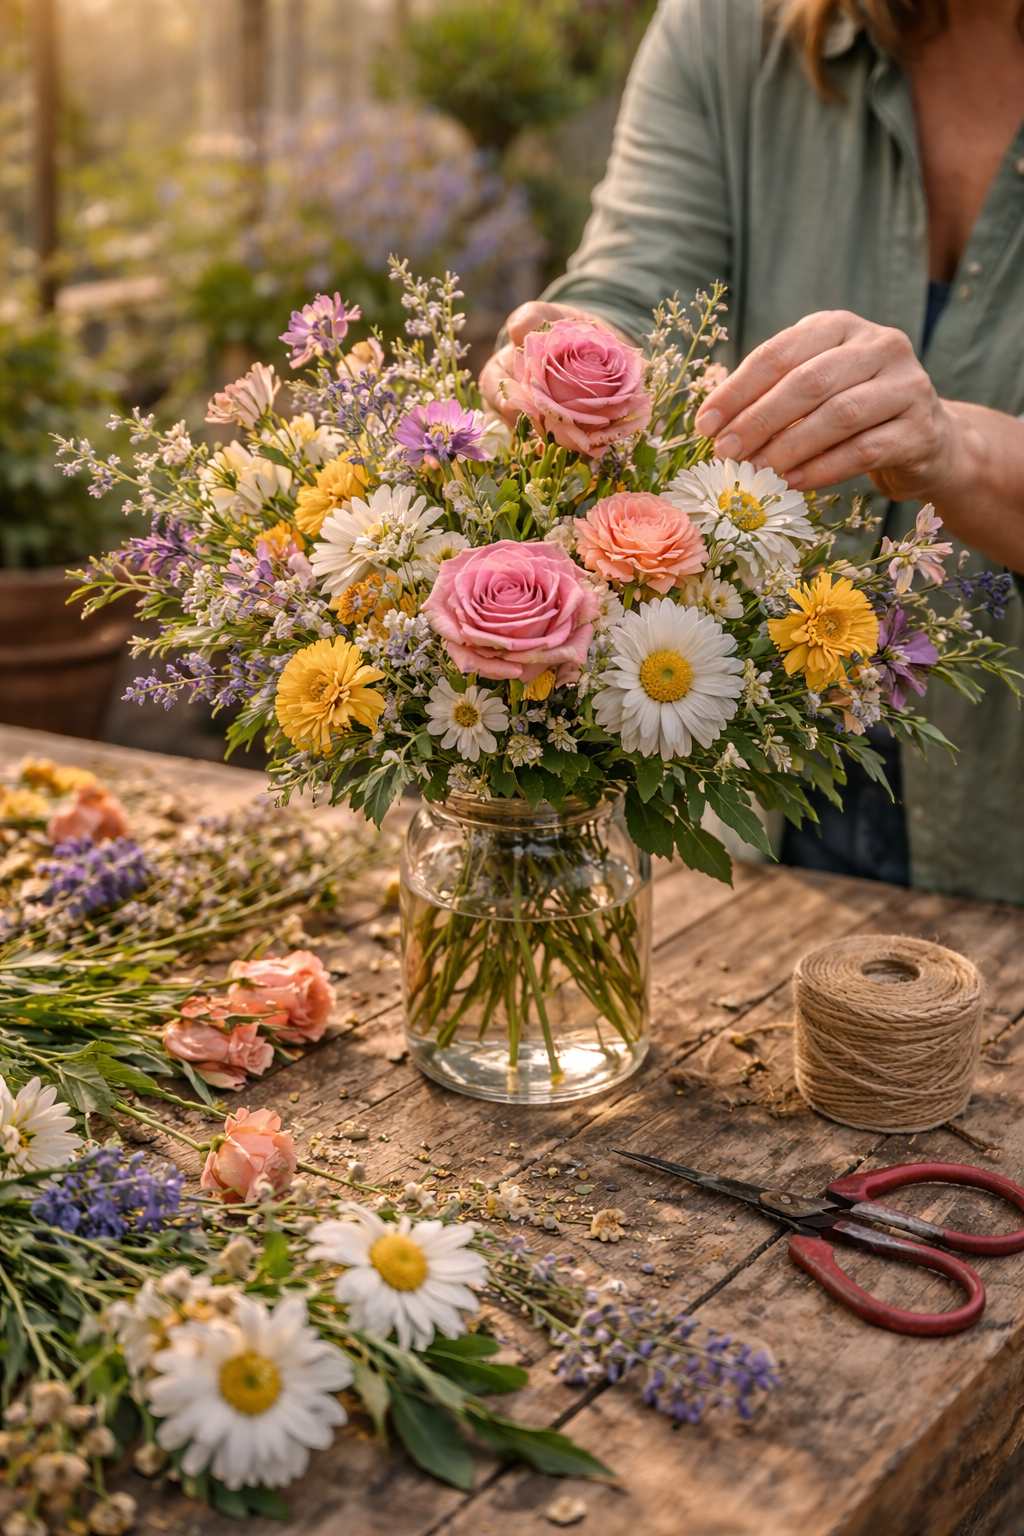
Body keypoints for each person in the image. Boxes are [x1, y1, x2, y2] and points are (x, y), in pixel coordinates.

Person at [480, 0, 1024, 904]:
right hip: (762, 792)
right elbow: (638, 281)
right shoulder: (731, 27)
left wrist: (956, 449)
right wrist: (574, 356)